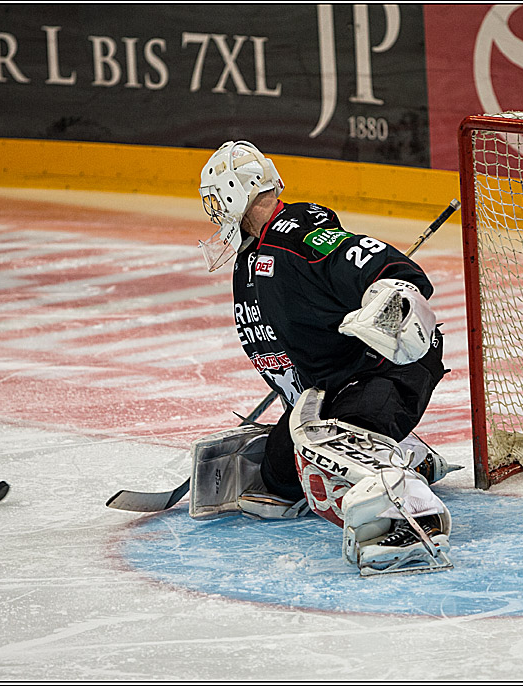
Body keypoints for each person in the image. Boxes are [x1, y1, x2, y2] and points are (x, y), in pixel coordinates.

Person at [192, 140, 458, 576]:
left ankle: (411, 516)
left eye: (215, 200)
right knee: (278, 479)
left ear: (234, 193)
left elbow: (384, 267)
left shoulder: (297, 232)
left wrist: (391, 296)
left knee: (331, 446)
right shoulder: (250, 256)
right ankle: (405, 452)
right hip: (335, 383)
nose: (213, 212)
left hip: (387, 369)